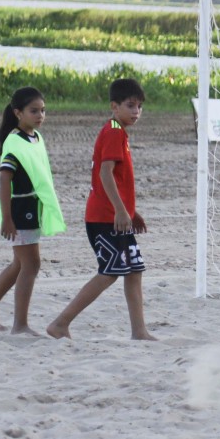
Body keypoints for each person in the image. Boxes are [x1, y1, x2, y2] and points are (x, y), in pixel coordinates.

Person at [46, 78, 155, 341]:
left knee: (134, 269)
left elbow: (115, 178)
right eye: (130, 105)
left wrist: (130, 211)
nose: (136, 111)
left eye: (139, 106)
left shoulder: (118, 130)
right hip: (105, 218)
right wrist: (120, 210)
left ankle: (139, 331)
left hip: (116, 216)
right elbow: (105, 173)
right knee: (109, 273)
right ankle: (60, 323)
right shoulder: (114, 131)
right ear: (114, 106)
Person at [0, 87, 65, 334]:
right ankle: (20, 324)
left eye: (43, 111)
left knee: (20, 263)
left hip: (32, 208)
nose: (40, 116)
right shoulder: (13, 142)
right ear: (18, 113)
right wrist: (6, 217)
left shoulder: (35, 137)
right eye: (34, 111)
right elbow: (5, 180)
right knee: (31, 264)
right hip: (19, 210)